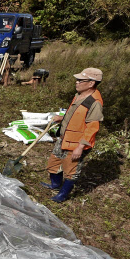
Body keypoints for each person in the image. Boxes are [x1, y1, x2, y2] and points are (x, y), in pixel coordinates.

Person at [42, 67, 104, 202]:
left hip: (77, 143)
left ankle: (62, 195)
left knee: (71, 170)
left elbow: (93, 127)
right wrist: (62, 118)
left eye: (80, 80)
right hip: (65, 138)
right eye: (77, 80)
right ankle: (55, 185)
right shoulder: (78, 95)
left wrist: (80, 147)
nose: (76, 82)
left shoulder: (94, 102)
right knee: (54, 162)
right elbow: (75, 115)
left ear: (91, 83)